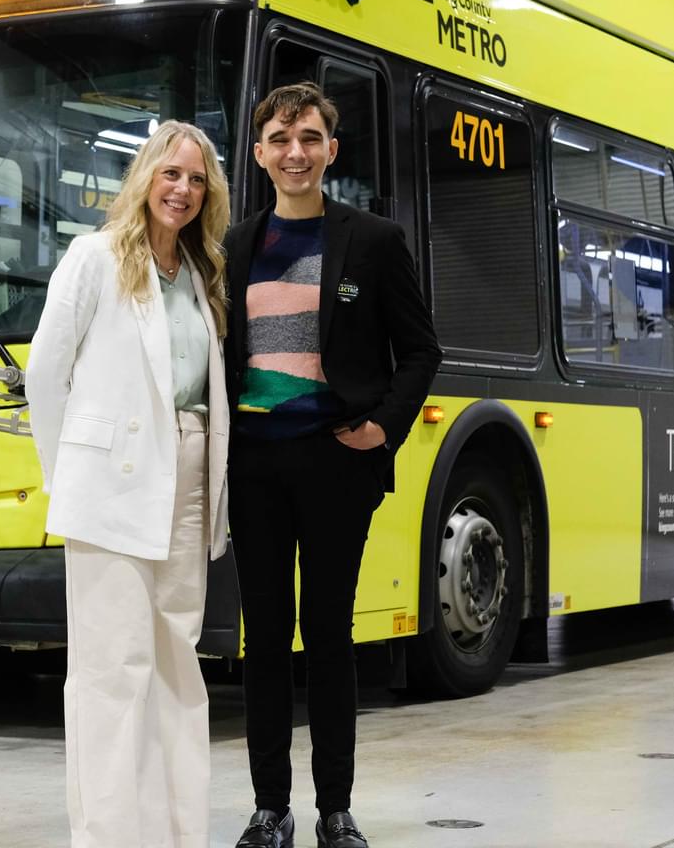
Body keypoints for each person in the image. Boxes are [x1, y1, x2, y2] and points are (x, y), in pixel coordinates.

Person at [225, 83, 441, 848]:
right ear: (260, 154)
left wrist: (382, 429)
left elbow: (420, 351)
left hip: (335, 464)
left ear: (331, 151)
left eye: (310, 138)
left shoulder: (373, 241)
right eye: (282, 140)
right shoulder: (233, 246)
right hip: (253, 465)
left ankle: (335, 810)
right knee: (264, 637)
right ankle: (269, 808)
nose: (296, 152)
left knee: (328, 634)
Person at [27, 120, 232, 848]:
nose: (182, 189)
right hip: (110, 487)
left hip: (189, 478)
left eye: (197, 179)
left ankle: (178, 835)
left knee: (178, 667)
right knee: (112, 671)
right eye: (171, 173)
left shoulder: (204, 274)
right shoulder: (95, 257)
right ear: (145, 176)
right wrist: (70, 481)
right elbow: (44, 374)